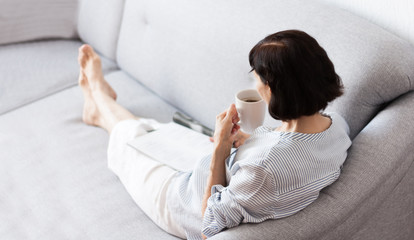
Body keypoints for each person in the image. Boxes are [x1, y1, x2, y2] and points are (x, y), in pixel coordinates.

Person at [78, 30, 352, 240]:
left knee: (128, 139)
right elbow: (285, 157)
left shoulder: (264, 168)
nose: (255, 85)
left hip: (181, 201)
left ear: (272, 89)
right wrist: (247, 142)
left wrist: (220, 148)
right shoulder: (337, 127)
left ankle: (99, 98)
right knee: (148, 131)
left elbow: (209, 223)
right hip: (207, 171)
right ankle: (101, 109)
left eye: (257, 78)